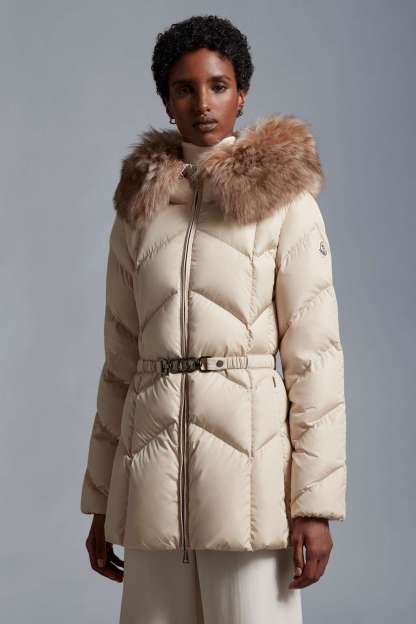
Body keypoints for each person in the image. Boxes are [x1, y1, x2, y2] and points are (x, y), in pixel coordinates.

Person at [80, 14, 347, 624]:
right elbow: (119, 363)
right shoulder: (137, 211)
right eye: (185, 88)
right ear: (166, 100)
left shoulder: (287, 202)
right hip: (151, 479)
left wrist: (314, 506)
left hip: (250, 482)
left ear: (241, 93)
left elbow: (315, 359)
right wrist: (104, 502)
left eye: (218, 85)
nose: (202, 103)